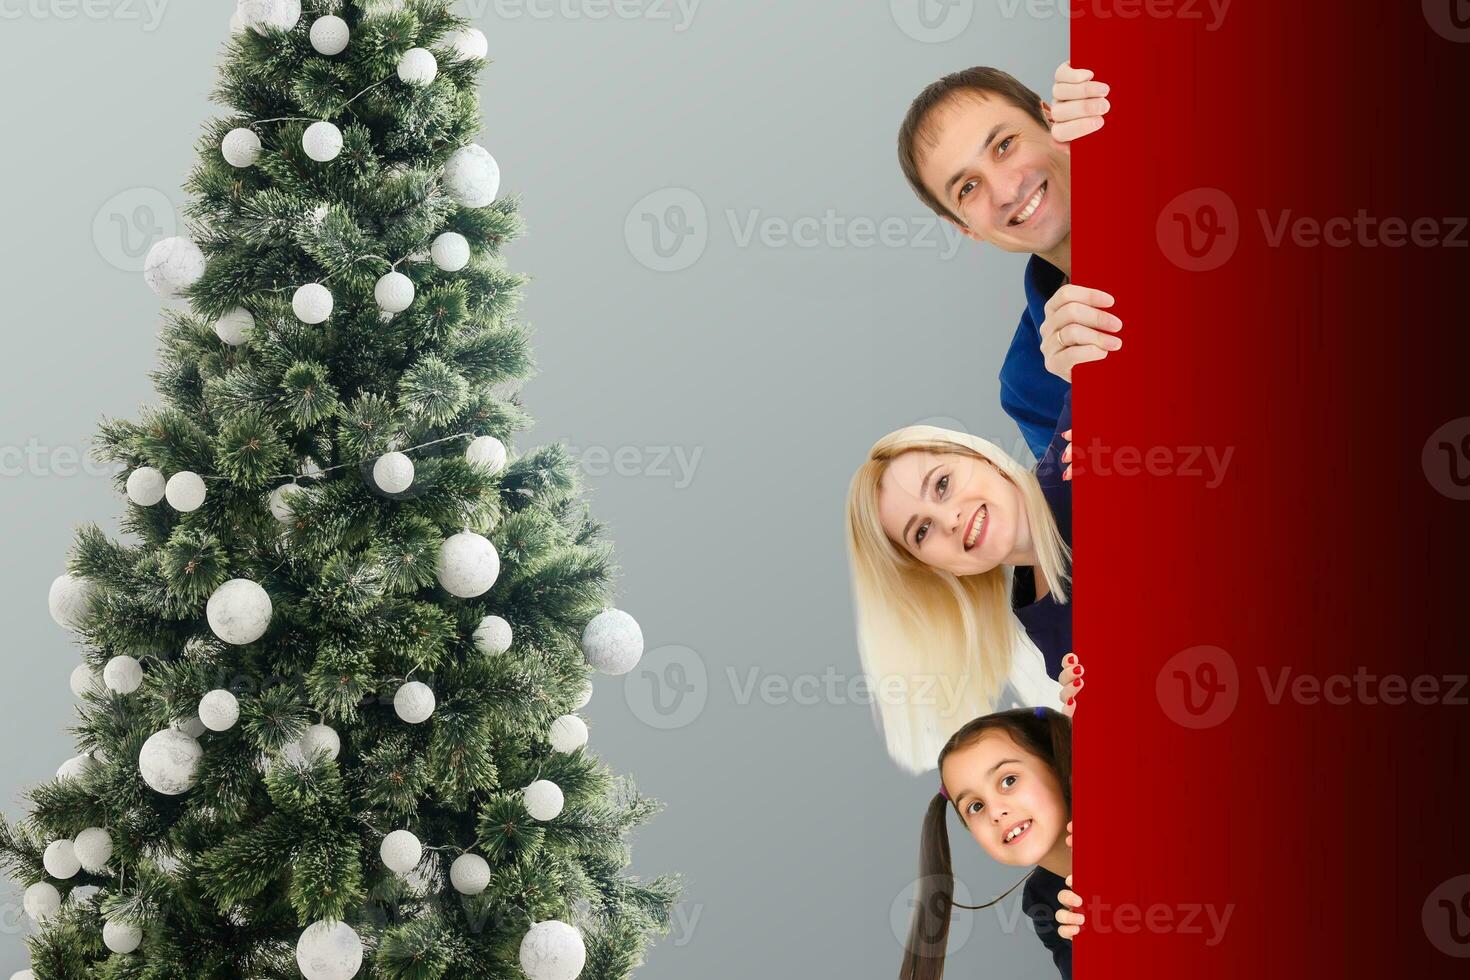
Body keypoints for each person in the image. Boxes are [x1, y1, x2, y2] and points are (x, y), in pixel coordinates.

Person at [898, 62, 1121, 458]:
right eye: (968, 187)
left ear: (1051, 119)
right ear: (965, 228)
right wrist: (1087, 398)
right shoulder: (1027, 383)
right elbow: (1074, 517)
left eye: (1004, 144)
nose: (1004, 191)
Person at [846, 400, 1082, 772]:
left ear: (982, 458)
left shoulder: (1082, 438)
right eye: (921, 532)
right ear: (938, 569)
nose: (949, 519)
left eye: (942, 484)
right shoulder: (1051, 637)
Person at [899, 707, 1082, 980]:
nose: (995, 813)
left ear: (1055, 764)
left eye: (1008, 780)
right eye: (975, 806)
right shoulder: (1041, 900)